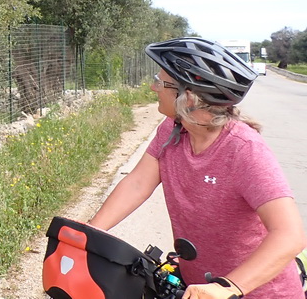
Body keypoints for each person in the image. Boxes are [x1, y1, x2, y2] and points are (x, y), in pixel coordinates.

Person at [88, 37, 306, 298]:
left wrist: (228, 287)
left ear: (188, 98)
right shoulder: (171, 130)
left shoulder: (244, 149)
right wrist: (87, 235)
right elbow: (137, 184)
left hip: (257, 292)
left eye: (160, 82)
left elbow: (289, 235)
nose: (153, 87)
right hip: (197, 288)